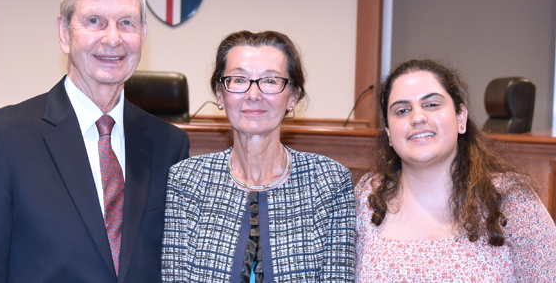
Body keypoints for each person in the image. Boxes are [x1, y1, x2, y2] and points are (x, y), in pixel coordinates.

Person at [0, 0, 190, 282]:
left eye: (126, 22)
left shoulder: (170, 145)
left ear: (142, 34)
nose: (113, 39)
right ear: (64, 33)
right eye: (94, 21)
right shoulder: (0, 138)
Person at [161, 30, 356, 283]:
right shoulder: (186, 180)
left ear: (293, 96)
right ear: (220, 94)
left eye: (271, 81)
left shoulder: (329, 183)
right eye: (239, 80)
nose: (254, 95)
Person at [354, 59, 556, 282]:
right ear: (389, 133)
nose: (418, 118)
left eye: (432, 105)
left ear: (461, 117)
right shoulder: (367, 198)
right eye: (402, 110)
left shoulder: (510, 199)